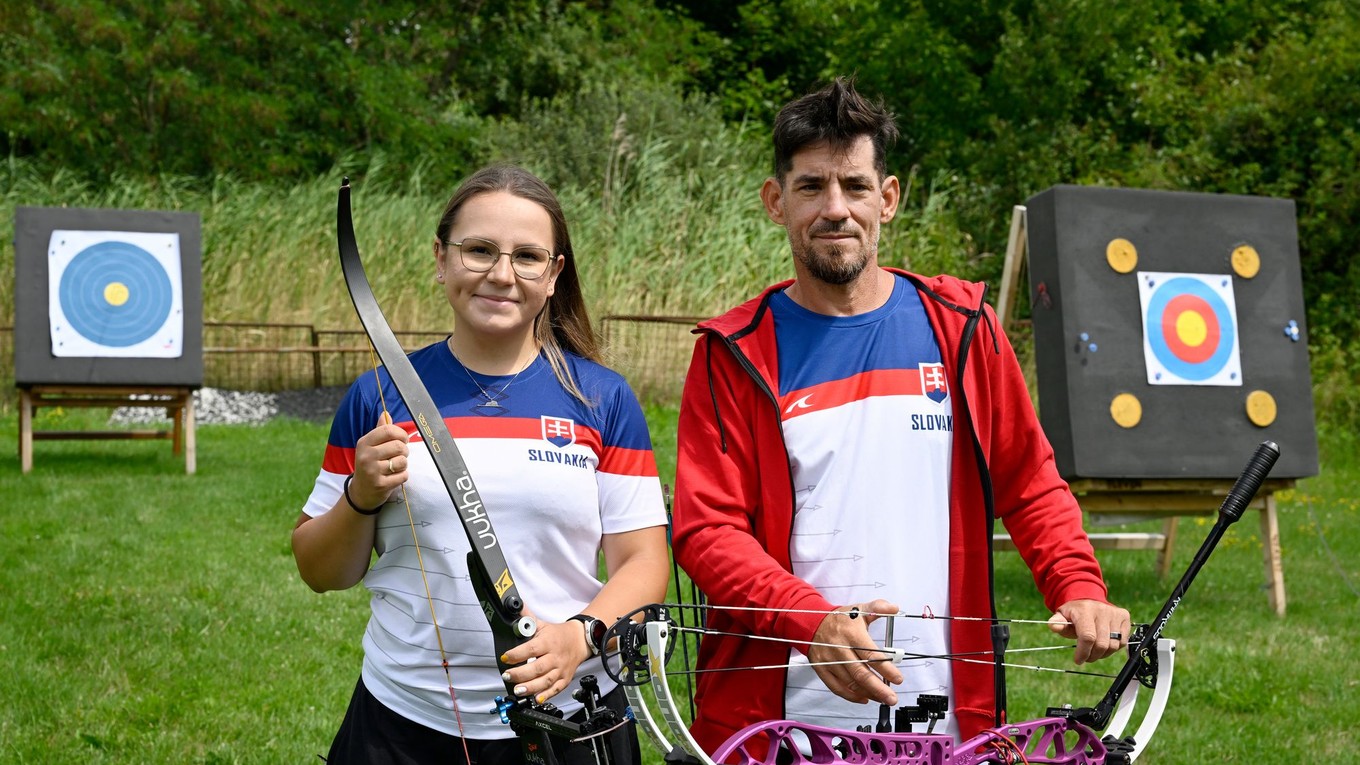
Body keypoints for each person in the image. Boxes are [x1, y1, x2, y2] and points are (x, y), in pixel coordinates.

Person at [670, 78, 1131, 752]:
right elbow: (708, 532)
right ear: (776, 202)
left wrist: (1078, 584)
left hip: (944, 716)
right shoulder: (735, 353)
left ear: (887, 198)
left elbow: (1029, 481)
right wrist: (812, 620)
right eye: (811, 187)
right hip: (776, 720)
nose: (836, 209)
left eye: (855, 186)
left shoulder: (962, 328)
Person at [292, 164, 670, 765]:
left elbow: (645, 562)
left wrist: (580, 636)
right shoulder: (379, 396)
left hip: (571, 719)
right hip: (403, 722)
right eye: (479, 251)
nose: (501, 274)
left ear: (554, 275)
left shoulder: (602, 399)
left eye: (527, 256)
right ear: (441, 259)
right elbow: (321, 570)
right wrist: (359, 496)